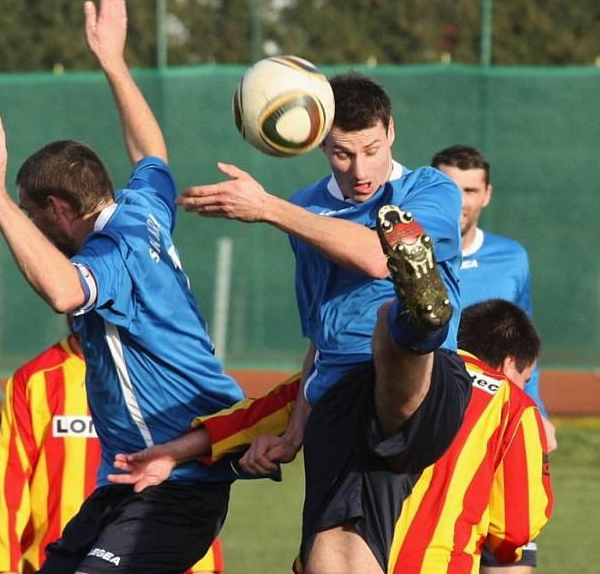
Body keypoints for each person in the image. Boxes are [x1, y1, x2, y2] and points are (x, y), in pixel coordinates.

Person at [112, 214, 553, 573]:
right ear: (514, 365)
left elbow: (259, 414)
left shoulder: (357, 369)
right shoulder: (514, 408)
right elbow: (516, 527)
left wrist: (172, 453)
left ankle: (408, 322)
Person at [0, 0, 243, 573]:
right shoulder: (141, 207)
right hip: (130, 479)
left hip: (179, 481)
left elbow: (64, 290)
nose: (29, 226)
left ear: (61, 210)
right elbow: (153, 154)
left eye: (31, 214)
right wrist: (113, 62)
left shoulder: (113, 253)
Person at [177, 70, 463, 478]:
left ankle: (419, 322)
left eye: (372, 149)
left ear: (391, 132)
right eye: (343, 154)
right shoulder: (305, 208)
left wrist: (269, 208)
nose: (360, 169)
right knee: (331, 540)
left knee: (398, 323)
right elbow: (321, 336)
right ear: (320, 144)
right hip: (337, 399)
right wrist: (294, 434)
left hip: (419, 385)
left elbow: (378, 259)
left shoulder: (430, 189)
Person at [0, 326, 224, 574]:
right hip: (57, 558)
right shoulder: (35, 380)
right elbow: (9, 482)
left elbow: (195, 470)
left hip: (149, 555)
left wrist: (206, 565)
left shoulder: (162, 377)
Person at [431, 144, 555, 573]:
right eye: (449, 188)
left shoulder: (512, 257)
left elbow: (522, 347)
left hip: (499, 423)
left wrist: (535, 415)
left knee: (511, 541)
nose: (460, 201)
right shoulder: (405, 253)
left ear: (486, 194)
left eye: (470, 189)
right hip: (432, 423)